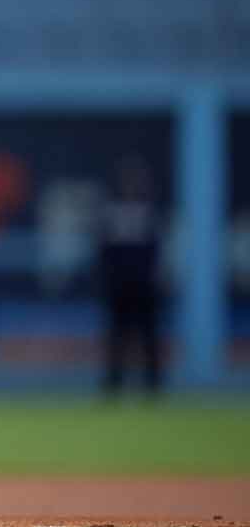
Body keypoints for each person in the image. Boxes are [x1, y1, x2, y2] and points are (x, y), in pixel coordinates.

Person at [97, 156, 164, 397]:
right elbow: (103, 252)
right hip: (119, 287)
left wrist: (153, 278)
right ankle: (114, 383)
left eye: (136, 181)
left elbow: (156, 251)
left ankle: (153, 385)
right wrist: (110, 280)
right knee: (117, 336)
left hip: (144, 286)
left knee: (148, 337)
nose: (131, 186)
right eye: (127, 181)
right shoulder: (111, 213)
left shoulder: (149, 212)